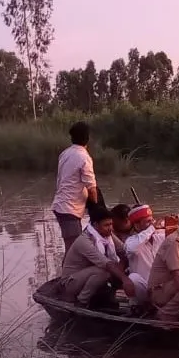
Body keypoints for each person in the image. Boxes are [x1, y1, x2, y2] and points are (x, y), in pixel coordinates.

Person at [57, 206, 135, 308]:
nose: (110, 228)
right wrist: (125, 279)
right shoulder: (84, 241)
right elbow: (106, 263)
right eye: (106, 225)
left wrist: (122, 265)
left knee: (120, 267)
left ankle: (109, 296)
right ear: (95, 225)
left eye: (111, 224)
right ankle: (82, 301)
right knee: (105, 271)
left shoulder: (107, 234)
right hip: (71, 283)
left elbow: (124, 251)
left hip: (90, 275)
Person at [51, 121, 98, 252]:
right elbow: (92, 188)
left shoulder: (65, 153)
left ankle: (68, 272)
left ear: (71, 138)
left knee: (73, 248)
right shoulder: (84, 157)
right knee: (74, 250)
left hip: (62, 206)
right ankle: (67, 273)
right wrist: (97, 207)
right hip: (69, 209)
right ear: (87, 138)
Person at [123, 202, 167, 304]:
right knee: (133, 278)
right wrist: (152, 228)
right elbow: (133, 249)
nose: (152, 224)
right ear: (137, 226)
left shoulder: (160, 237)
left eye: (152, 220)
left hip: (162, 287)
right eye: (148, 222)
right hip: (144, 289)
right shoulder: (130, 241)